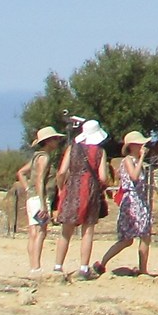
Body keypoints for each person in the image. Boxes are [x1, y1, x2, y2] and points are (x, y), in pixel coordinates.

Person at [48, 119, 111, 279]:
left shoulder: (72, 148)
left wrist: (62, 188)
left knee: (66, 231)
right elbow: (103, 177)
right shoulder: (100, 152)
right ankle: (83, 268)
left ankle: (57, 266)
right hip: (90, 190)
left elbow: (62, 172)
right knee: (88, 231)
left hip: (72, 188)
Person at [95, 132, 154, 277]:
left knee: (145, 235)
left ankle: (143, 269)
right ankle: (102, 263)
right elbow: (134, 176)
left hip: (140, 200)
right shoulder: (128, 160)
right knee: (127, 240)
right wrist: (141, 159)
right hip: (132, 201)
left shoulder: (135, 160)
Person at [14, 127, 65, 270]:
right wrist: (43, 204)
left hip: (32, 198)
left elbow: (21, 173)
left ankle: (33, 266)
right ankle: (36, 267)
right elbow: (40, 180)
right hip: (40, 198)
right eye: (55, 139)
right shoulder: (44, 158)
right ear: (48, 141)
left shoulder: (36, 156)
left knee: (33, 232)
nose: (57, 141)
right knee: (40, 232)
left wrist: (28, 189)